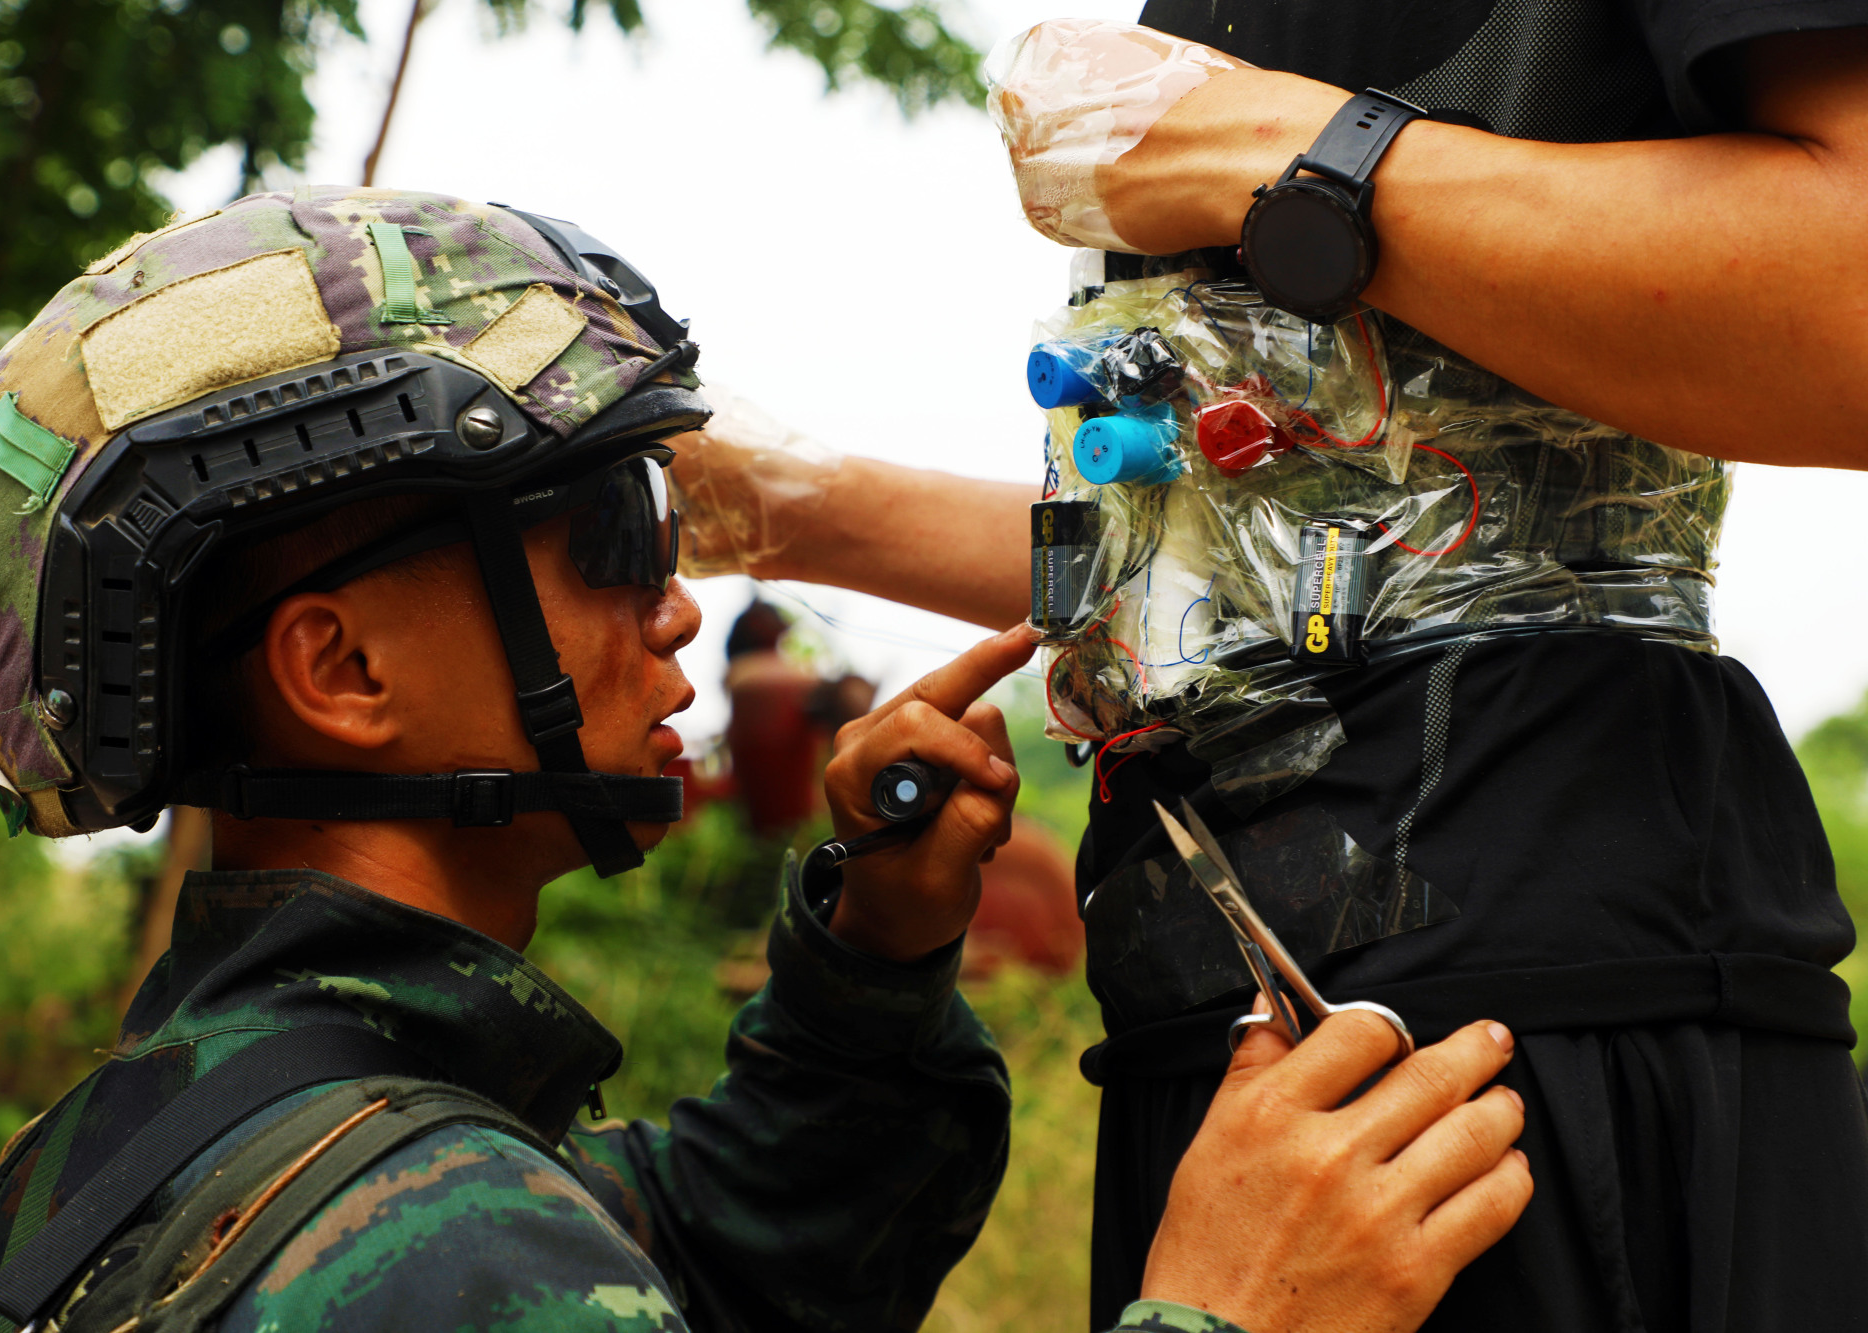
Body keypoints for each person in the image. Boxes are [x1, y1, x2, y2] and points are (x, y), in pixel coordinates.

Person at [0, 189, 1530, 1333]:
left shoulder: (138, 1158)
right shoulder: (441, 1249)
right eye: (615, 530)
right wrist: (1236, 1311)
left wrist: (874, 956)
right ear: (344, 671)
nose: (679, 600)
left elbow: (733, 1257)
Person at [666, 9, 1868, 1329]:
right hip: (1217, 1061)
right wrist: (775, 504)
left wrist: (1286, 149)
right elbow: (1283, 556)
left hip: (1515, 1069)